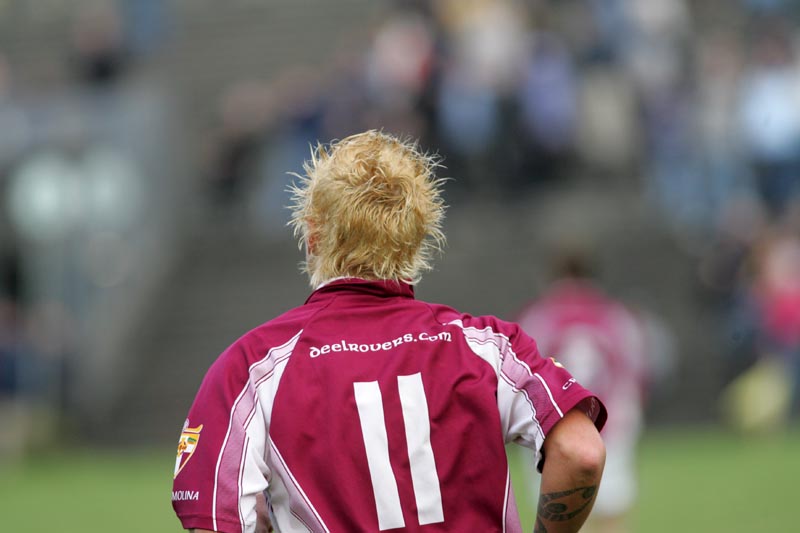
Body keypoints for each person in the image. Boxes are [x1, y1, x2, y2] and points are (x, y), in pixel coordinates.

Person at [171, 130, 607, 533]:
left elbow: (216, 518)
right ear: (420, 238)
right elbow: (581, 452)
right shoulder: (488, 348)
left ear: (312, 235)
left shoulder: (252, 366)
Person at [516, 251, 649, 533]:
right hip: (608, 422)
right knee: (611, 513)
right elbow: (635, 369)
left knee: (565, 520)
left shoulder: (540, 316)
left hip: (556, 431)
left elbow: (522, 374)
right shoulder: (613, 315)